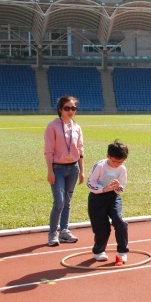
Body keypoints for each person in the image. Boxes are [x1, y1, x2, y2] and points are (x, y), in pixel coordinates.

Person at [44, 95, 84, 247]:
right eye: (67, 108)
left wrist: (81, 171)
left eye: (73, 108)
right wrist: (50, 171)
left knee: (67, 202)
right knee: (59, 202)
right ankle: (52, 233)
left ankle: (64, 231)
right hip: (58, 169)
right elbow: (48, 150)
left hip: (73, 168)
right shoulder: (52, 126)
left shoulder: (77, 127)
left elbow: (80, 149)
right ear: (60, 109)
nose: (70, 111)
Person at [87, 140, 130, 265]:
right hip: (97, 198)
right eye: (114, 161)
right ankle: (99, 251)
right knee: (101, 227)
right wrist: (103, 189)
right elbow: (90, 183)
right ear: (108, 156)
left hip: (113, 197)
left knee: (119, 221)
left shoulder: (122, 169)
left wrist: (117, 187)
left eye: (120, 162)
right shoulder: (100, 166)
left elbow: (122, 188)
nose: (117, 164)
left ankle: (122, 252)